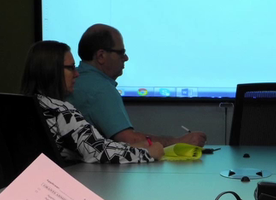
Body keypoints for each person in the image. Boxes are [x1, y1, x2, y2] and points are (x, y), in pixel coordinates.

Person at [21, 40, 164, 164]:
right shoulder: (61, 111)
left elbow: (93, 145)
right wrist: (149, 153)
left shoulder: (26, 106)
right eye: (71, 68)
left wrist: (134, 147)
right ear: (50, 71)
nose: (77, 74)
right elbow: (97, 151)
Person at [66, 24, 207, 147]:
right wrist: (178, 142)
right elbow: (128, 140)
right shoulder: (99, 89)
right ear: (101, 56)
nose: (126, 58)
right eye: (121, 53)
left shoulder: (80, 80)